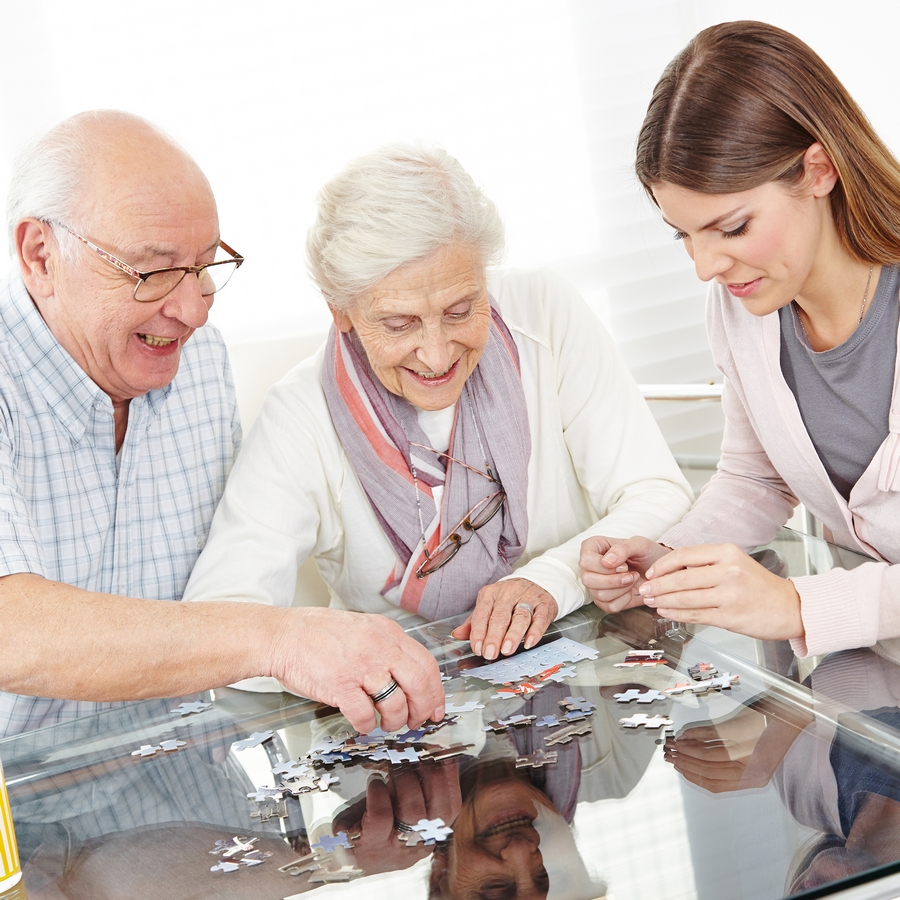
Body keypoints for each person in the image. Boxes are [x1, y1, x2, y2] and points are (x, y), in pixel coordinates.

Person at [0, 110, 444, 739]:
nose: (191, 313)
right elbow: (10, 630)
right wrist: (280, 638)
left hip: (185, 766)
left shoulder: (196, 360)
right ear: (41, 254)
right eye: (152, 272)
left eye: (204, 267)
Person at [183, 143, 692, 660]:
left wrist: (551, 579)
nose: (436, 353)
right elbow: (221, 617)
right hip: (400, 705)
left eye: (460, 310)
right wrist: (331, 655)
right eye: (399, 324)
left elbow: (657, 494)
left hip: (598, 664)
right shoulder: (298, 415)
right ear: (342, 312)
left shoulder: (545, 313)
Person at [579, 20, 900, 661]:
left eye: (732, 226)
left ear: (820, 169)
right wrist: (673, 554)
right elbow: (757, 478)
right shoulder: (743, 308)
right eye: (684, 235)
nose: (705, 266)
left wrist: (796, 606)